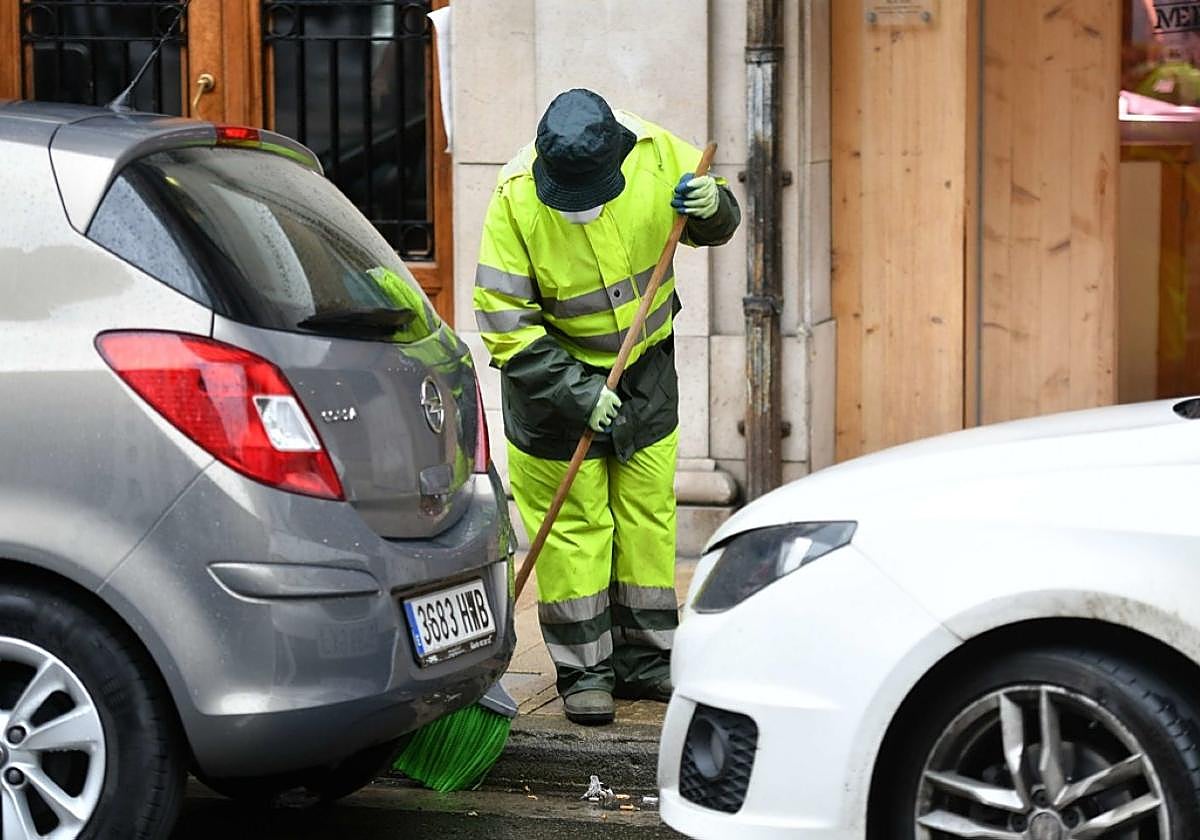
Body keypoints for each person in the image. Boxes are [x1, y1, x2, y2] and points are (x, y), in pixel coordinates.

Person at [473, 89, 740, 725]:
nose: (582, 210)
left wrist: (713, 209)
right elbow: (505, 324)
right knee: (574, 529)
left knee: (647, 516)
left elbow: (713, 218)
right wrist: (577, 392)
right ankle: (584, 670)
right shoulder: (514, 197)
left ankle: (647, 662)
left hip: (644, 372)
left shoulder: (652, 153)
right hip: (550, 388)